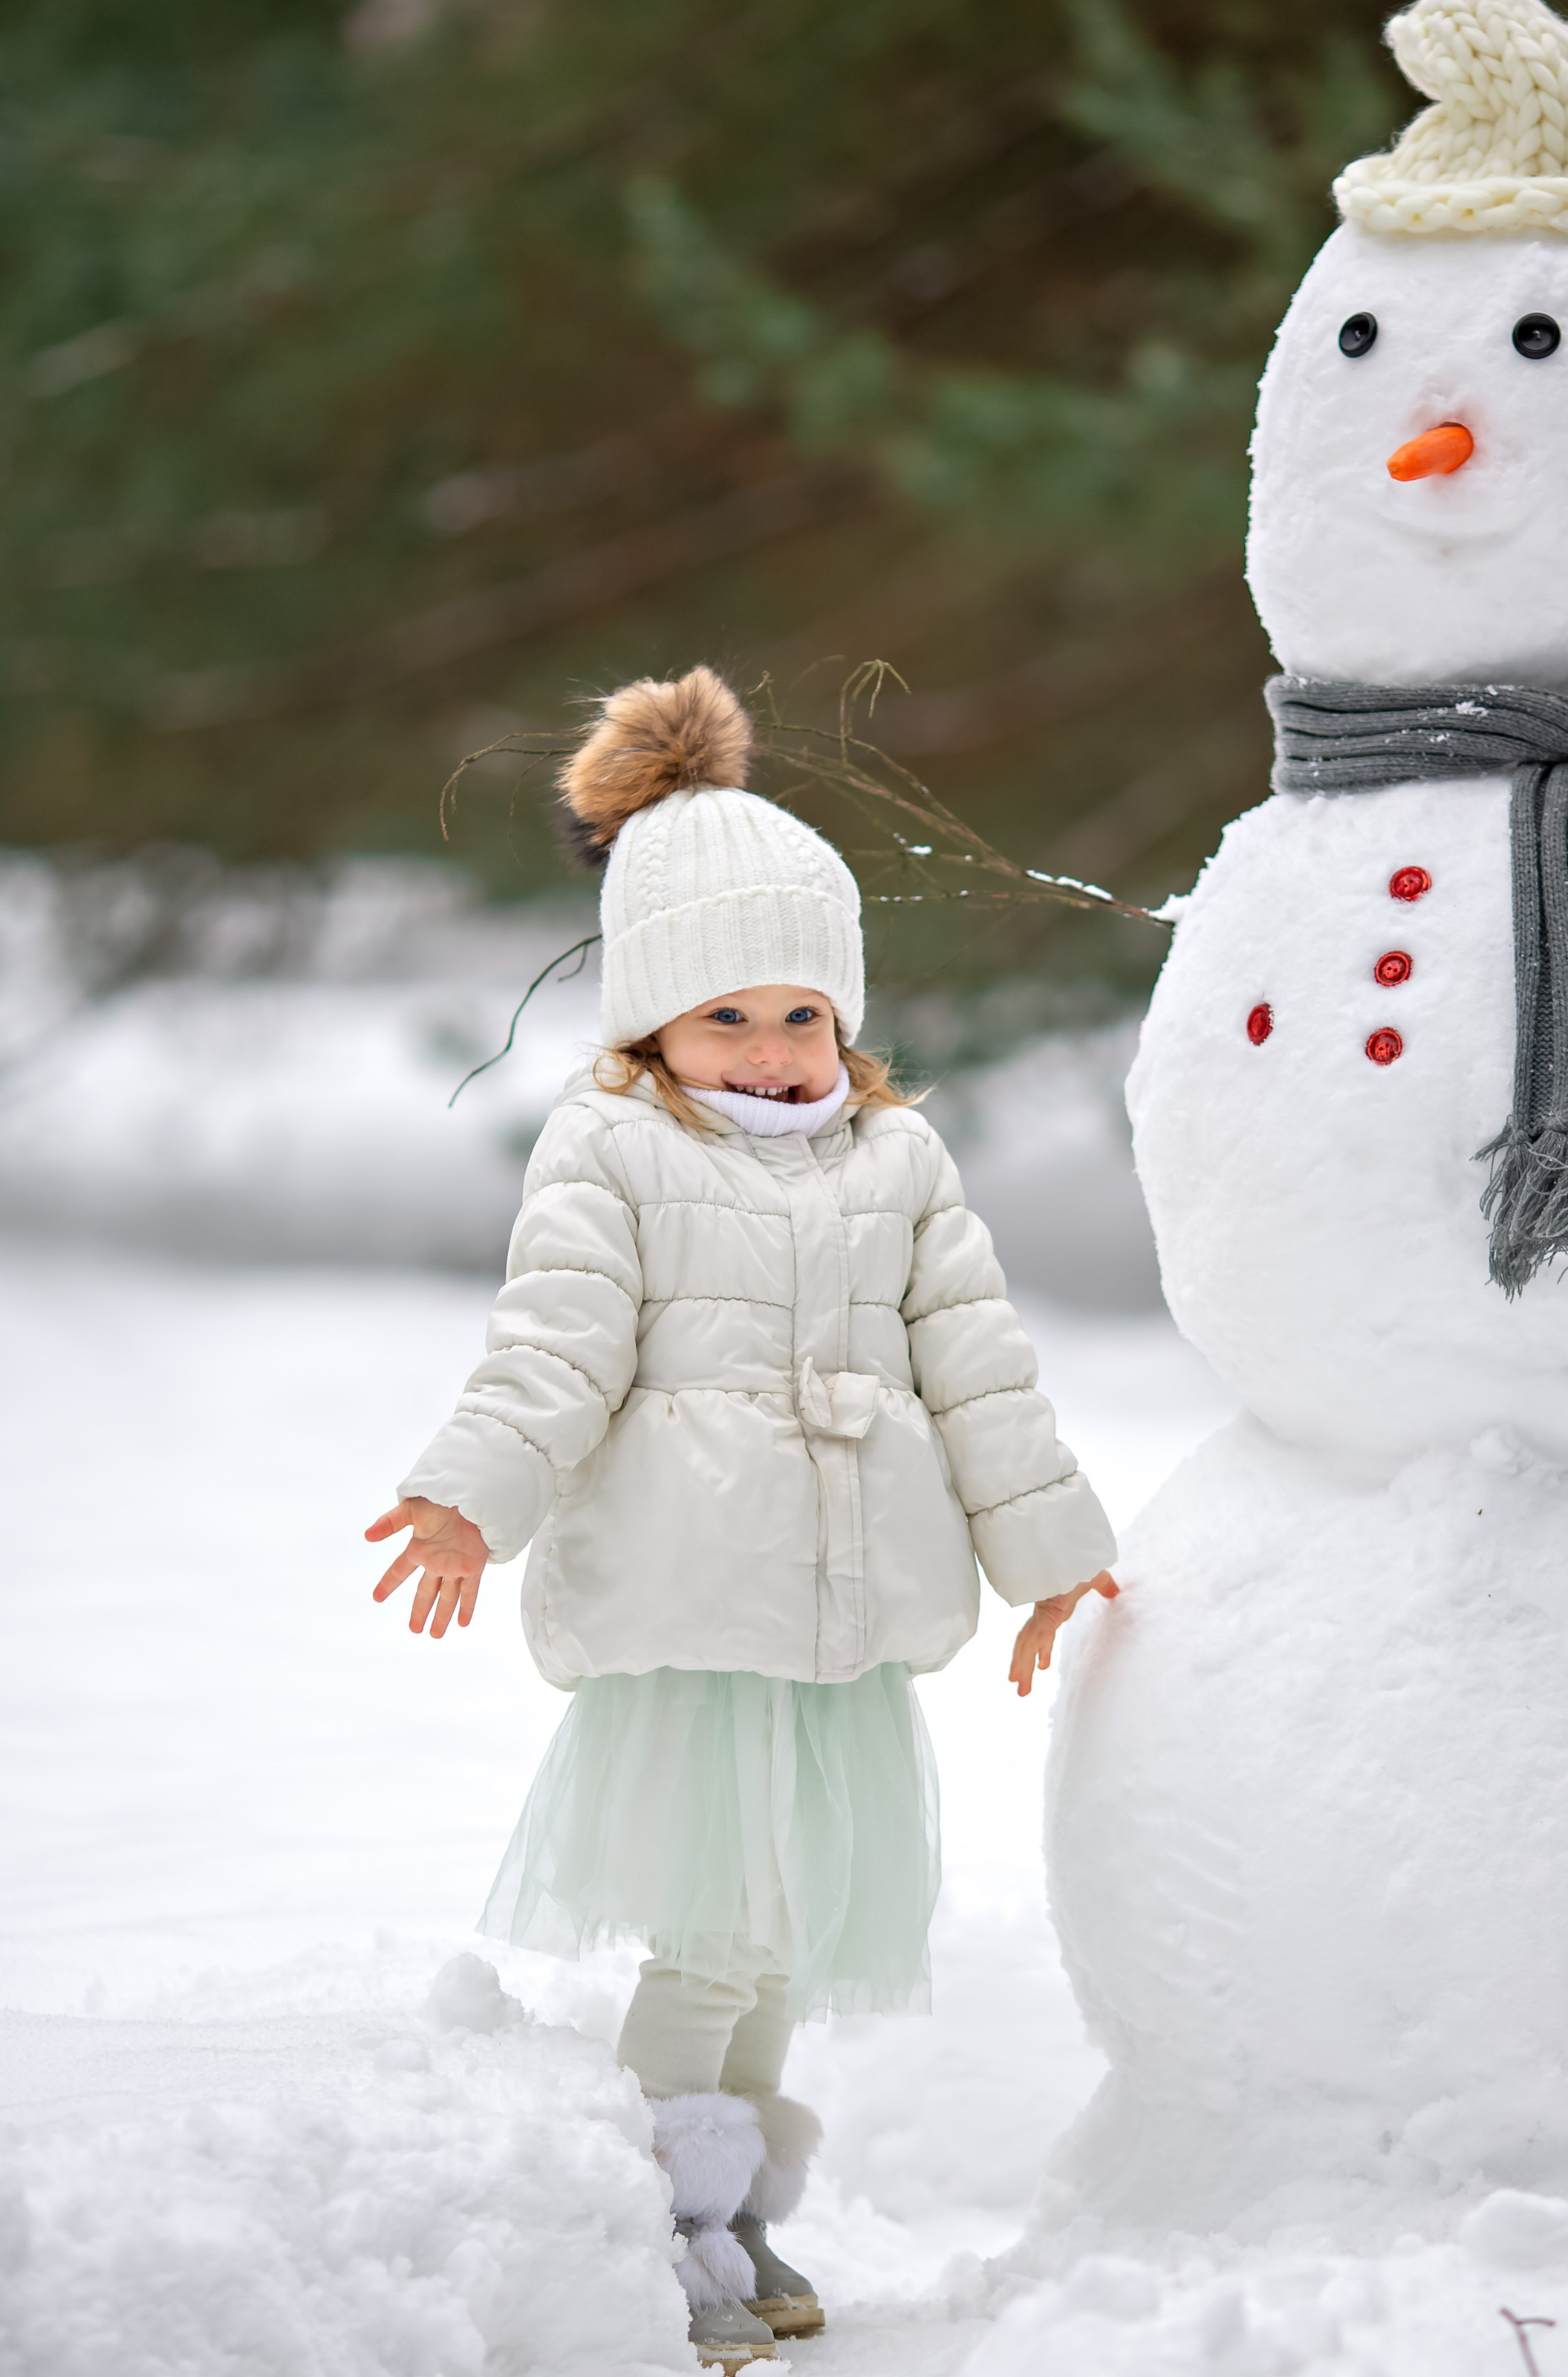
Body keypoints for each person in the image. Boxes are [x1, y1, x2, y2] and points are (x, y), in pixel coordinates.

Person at [365, 666, 1117, 2373]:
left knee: (778, 1949)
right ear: (650, 1024)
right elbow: (553, 1345)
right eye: (729, 1019)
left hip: (840, 1627)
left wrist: (1052, 1554)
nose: (775, 1055)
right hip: (702, 1619)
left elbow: (978, 1369)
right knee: (712, 1936)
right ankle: (649, 2217)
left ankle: (731, 2203)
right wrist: (468, 1496)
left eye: (803, 1018)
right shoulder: (615, 1152)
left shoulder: (896, 1163)